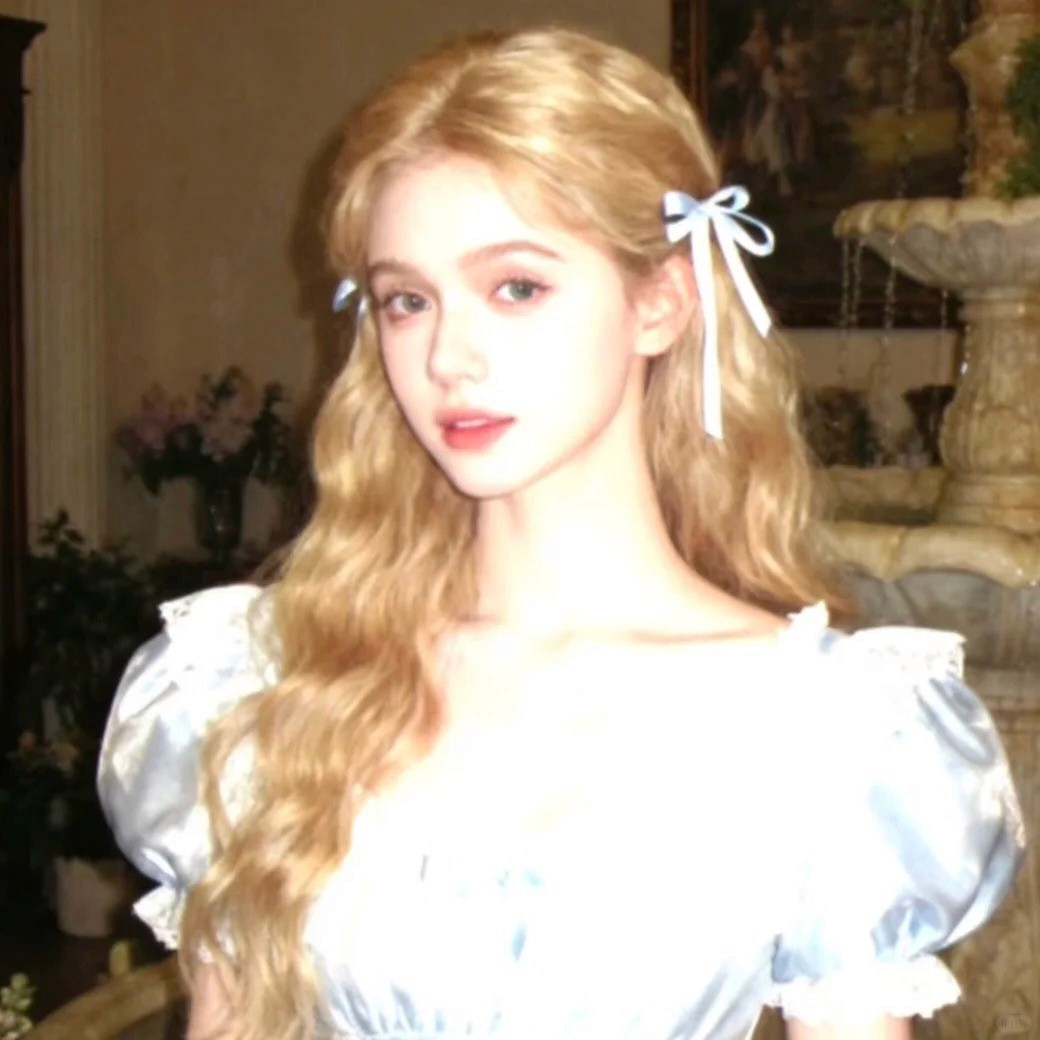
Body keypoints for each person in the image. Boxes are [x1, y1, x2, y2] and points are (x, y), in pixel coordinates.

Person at [97, 26, 1025, 1040]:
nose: (447, 356)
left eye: (516, 287)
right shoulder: (266, 680)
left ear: (659, 301)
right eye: (406, 301)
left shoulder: (823, 730)